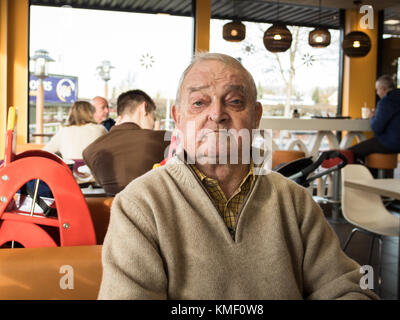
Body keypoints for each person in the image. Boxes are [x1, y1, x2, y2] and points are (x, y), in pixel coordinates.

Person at [98, 53, 378, 300]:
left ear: (255, 117)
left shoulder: (294, 201)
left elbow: (344, 287)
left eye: (234, 101)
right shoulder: (139, 205)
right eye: (199, 103)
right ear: (178, 118)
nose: (217, 114)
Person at [83, 90, 170, 196]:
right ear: (143, 108)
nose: (152, 125)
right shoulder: (164, 139)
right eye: (153, 118)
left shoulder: (90, 151)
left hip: (110, 211)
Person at [348, 75, 400, 164]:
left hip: (389, 143)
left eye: (377, 89)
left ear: (383, 89)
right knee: (364, 151)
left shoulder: (386, 101)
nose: (377, 93)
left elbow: (377, 127)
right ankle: (372, 175)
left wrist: (372, 116)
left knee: (350, 152)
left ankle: (362, 176)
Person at [43, 100, 107, 160]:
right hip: (93, 170)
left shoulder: (64, 131)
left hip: (71, 170)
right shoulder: (100, 129)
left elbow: (45, 152)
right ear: (91, 113)